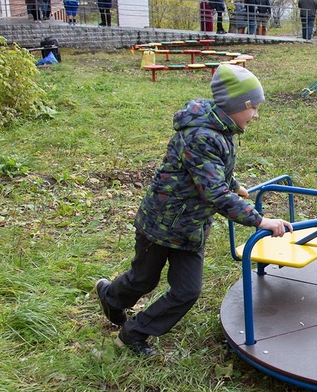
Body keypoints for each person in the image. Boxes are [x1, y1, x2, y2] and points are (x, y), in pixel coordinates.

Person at [95, 63, 293, 357]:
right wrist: (260, 220)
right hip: (161, 224)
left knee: (186, 291)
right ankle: (111, 296)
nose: (256, 115)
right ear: (239, 105)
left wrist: (233, 183)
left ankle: (133, 333)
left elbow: (210, 172)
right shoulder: (201, 135)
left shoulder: (221, 130)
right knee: (143, 279)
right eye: (254, 108)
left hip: (189, 227)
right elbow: (214, 192)